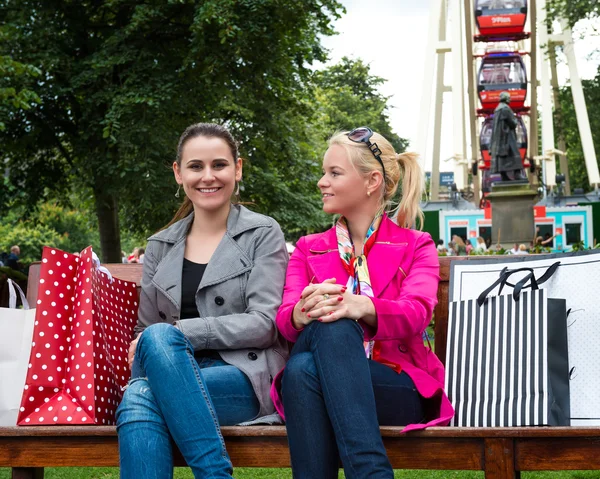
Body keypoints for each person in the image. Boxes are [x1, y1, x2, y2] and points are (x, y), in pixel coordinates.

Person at [271, 127, 453, 478]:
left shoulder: (416, 244)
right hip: (332, 367)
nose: (322, 182)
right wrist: (300, 312)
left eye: (334, 173)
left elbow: (417, 313)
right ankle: (371, 472)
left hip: (394, 383)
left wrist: (362, 307)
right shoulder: (309, 247)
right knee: (332, 325)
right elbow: (284, 320)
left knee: (301, 371)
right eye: (324, 172)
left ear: (371, 181)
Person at [116, 123, 289, 478]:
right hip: (170, 372)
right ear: (178, 173)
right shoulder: (160, 245)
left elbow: (266, 323)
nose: (207, 176)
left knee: (143, 392)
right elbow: (145, 331)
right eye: (196, 166)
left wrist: (184, 332)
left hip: (244, 375)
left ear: (237, 169)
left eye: (219, 165)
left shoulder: (261, 233)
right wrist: (161, 340)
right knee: (148, 372)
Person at [490, 92, 525, 182]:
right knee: (515, 154)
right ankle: (517, 174)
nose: (510, 99)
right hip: (507, 137)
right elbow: (513, 123)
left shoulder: (497, 109)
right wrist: (516, 120)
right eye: (509, 98)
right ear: (505, 99)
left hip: (499, 139)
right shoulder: (506, 109)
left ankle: (504, 175)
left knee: (503, 157)